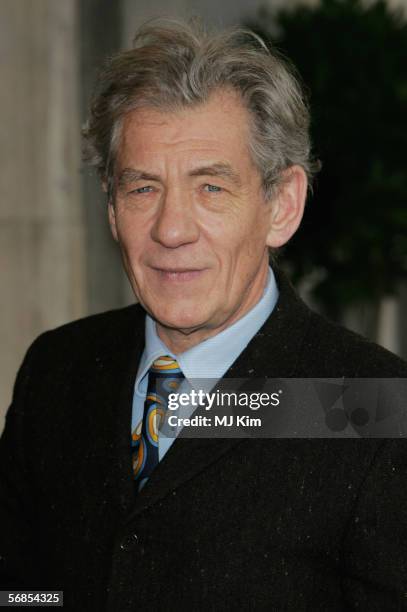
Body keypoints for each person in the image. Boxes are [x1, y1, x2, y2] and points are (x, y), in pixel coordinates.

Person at [1, 19, 407, 611]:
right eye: (142, 189)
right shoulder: (58, 368)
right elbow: (21, 589)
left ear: (282, 205)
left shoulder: (372, 406)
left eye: (211, 188)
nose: (170, 229)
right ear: (111, 209)